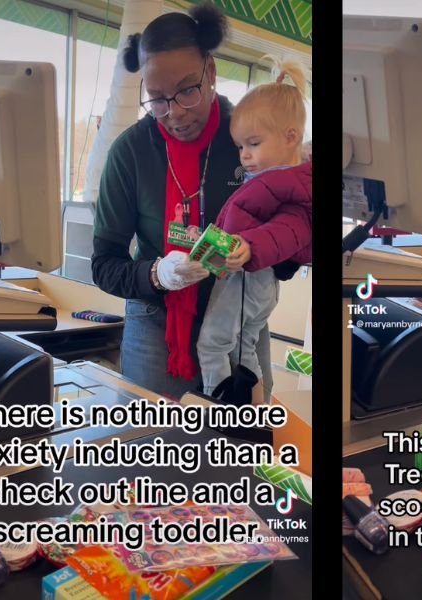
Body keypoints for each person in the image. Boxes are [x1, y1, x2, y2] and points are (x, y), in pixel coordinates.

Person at [90, 6, 272, 400]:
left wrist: (258, 249)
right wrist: (157, 274)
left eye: (187, 90)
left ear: (211, 71)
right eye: (157, 99)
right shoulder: (131, 152)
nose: (174, 114)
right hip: (157, 323)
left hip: (238, 322)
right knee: (157, 448)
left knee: (246, 448)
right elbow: (104, 265)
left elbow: (290, 246)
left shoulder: (251, 137)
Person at [197, 59, 312, 405]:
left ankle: (217, 408)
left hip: (251, 276)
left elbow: (291, 230)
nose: (245, 155)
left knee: (214, 343)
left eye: (254, 144)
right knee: (245, 346)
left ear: (290, 137)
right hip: (249, 276)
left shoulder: (291, 184)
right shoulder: (275, 178)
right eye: (240, 147)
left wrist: (249, 244)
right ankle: (256, 412)